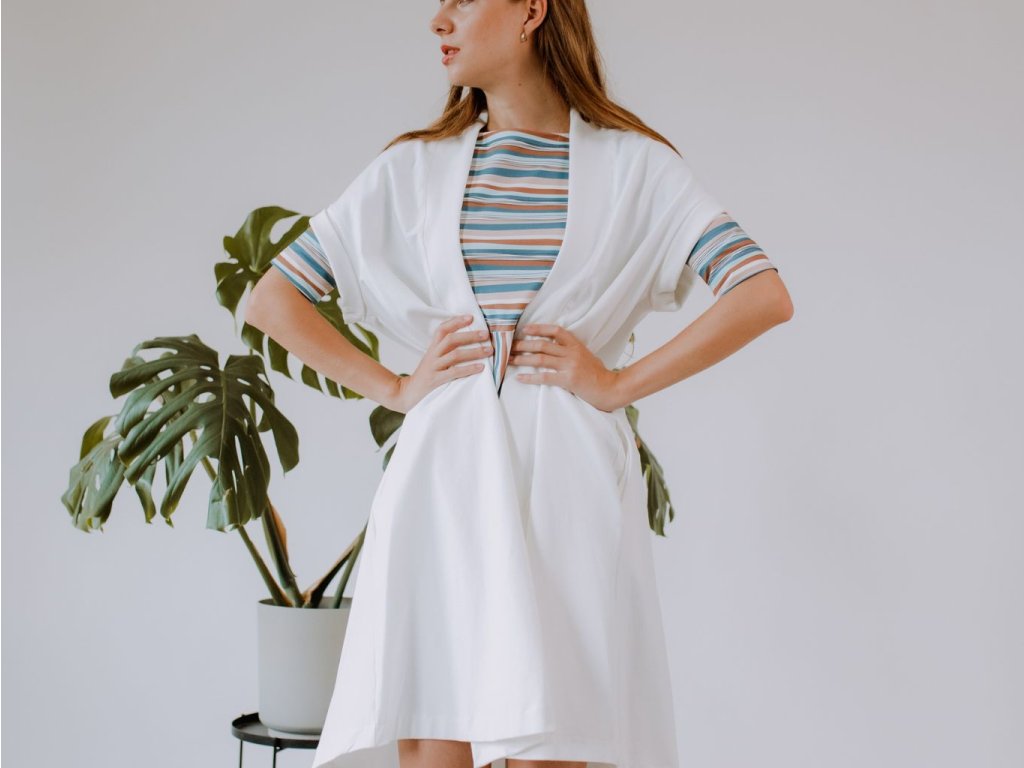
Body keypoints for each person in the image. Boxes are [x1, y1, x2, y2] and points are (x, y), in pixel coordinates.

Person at [245, 2, 793, 768]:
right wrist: (395, 388)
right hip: (442, 481)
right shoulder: (411, 170)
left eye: (462, 0)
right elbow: (271, 299)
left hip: (566, 483)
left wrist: (618, 383)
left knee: (555, 740)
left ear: (532, 9)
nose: (439, 21)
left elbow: (761, 292)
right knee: (433, 730)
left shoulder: (636, 168)